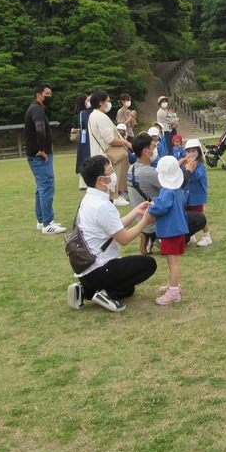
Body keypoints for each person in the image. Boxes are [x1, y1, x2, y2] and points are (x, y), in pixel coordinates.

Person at [66, 155, 157, 312]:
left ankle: (84, 289)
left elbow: (113, 227)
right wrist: (145, 221)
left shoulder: (88, 199)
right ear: (101, 180)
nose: (113, 175)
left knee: (129, 290)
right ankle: (105, 293)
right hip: (100, 268)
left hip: (87, 270)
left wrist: (136, 212)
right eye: (110, 171)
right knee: (148, 264)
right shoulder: (101, 205)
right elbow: (124, 238)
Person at [128, 134, 206, 255]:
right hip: (155, 221)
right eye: (153, 147)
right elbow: (176, 185)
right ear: (145, 151)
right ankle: (158, 238)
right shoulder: (150, 173)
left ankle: (150, 236)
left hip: (142, 219)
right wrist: (189, 170)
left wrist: (177, 165)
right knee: (199, 219)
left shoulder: (132, 169)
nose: (156, 149)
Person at [25, 83, 65, 234]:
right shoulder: (37, 110)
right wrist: (41, 150)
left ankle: (42, 220)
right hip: (40, 157)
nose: (50, 96)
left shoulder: (35, 108)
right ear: (38, 95)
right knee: (47, 187)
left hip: (35, 156)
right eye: (47, 93)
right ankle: (48, 224)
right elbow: (40, 129)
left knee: (40, 188)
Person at [150, 156, 191, 305]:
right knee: (172, 261)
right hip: (179, 228)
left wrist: (151, 207)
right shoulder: (178, 189)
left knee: (173, 262)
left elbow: (160, 207)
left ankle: (174, 291)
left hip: (171, 230)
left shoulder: (167, 191)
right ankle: (173, 284)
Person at [87, 90, 132, 205]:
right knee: (108, 181)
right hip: (106, 154)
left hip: (99, 153)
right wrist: (126, 143)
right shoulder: (101, 117)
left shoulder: (92, 115)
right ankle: (113, 200)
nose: (109, 103)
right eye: (108, 101)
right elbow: (110, 139)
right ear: (101, 103)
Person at [181, 138, 214, 247]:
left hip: (197, 196)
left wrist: (191, 168)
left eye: (193, 151)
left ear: (198, 152)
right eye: (188, 151)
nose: (191, 153)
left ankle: (207, 236)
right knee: (188, 215)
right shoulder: (184, 165)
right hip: (186, 196)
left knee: (200, 216)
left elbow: (196, 177)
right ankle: (191, 236)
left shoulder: (200, 166)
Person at [73, 94, 92, 187]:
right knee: (85, 157)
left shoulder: (84, 112)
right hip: (85, 139)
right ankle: (84, 182)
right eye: (87, 100)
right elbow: (85, 124)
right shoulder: (83, 113)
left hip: (86, 138)